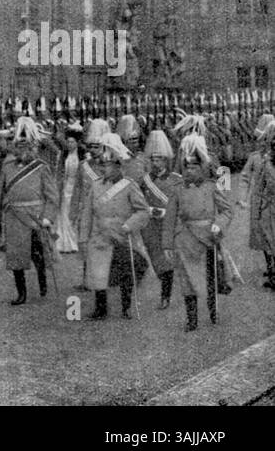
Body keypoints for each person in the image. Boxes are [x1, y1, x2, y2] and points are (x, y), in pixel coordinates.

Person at [78, 132, 151, 320]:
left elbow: (143, 211)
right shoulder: (95, 187)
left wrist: (129, 225)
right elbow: (87, 214)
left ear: (118, 166)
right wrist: (83, 238)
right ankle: (100, 309)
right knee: (98, 274)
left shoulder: (129, 185)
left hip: (123, 235)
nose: (103, 169)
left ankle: (126, 306)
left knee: (126, 273)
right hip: (100, 235)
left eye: (107, 165)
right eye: (102, 165)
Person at [164, 139, 233, 331]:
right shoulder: (177, 189)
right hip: (185, 239)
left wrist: (219, 225)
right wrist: (167, 245)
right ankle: (191, 319)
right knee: (186, 281)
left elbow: (227, 210)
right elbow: (169, 218)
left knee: (210, 278)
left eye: (194, 167)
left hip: (207, 239)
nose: (190, 171)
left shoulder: (211, 187)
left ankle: (212, 311)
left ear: (201, 167)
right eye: (187, 167)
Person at [0, 117, 59, 306]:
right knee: (15, 256)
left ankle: (42, 280)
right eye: (19, 146)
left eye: (26, 146)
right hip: (13, 216)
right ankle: (22, 293)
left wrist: (47, 218)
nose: (23, 150)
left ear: (33, 147)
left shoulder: (41, 167)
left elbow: (52, 197)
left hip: (35, 217)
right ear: (14, 147)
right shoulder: (6, 167)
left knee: (38, 254)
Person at [140, 130, 184, 309]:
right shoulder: (145, 180)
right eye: (153, 160)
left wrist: (167, 213)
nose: (155, 163)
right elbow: (139, 201)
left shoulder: (176, 180)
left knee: (167, 261)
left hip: (168, 226)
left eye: (159, 160)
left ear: (166, 160)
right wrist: (148, 210)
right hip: (150, 226)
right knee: (157, 260)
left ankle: (165, 296)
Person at [242, 115, 275, 289]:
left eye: (265, 140)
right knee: (263, 236)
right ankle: (271, 269)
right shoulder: (255, 157)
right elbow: (245, 176)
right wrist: (242, 197)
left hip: (269, 202)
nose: (262, 144)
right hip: (259, 202)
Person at [55, 126, 86, 253]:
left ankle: (74, 241)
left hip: (77, 186)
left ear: (77, 143)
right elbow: (60, 172)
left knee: (74, 213)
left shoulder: (82, 156)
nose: (69, 144)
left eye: (72, 142)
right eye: (68, 142)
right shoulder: (63, 155)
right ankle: (64, 242)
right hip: (65, 186)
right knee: (64, 213)